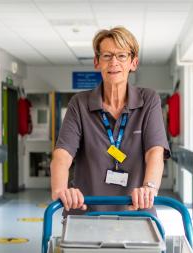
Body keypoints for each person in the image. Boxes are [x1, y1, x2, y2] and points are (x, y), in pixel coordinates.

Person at [50, 26, 170, 216]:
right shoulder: (79, 104)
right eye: (107, 55)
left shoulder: (148, 100)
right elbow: (62, 155)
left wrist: (149, 187)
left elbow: (155, 152)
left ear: (134, 62)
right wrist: (60, 189)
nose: (114, 62)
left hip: (136, 212)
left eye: (121, 56)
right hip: (85, 213)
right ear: (97, 62)